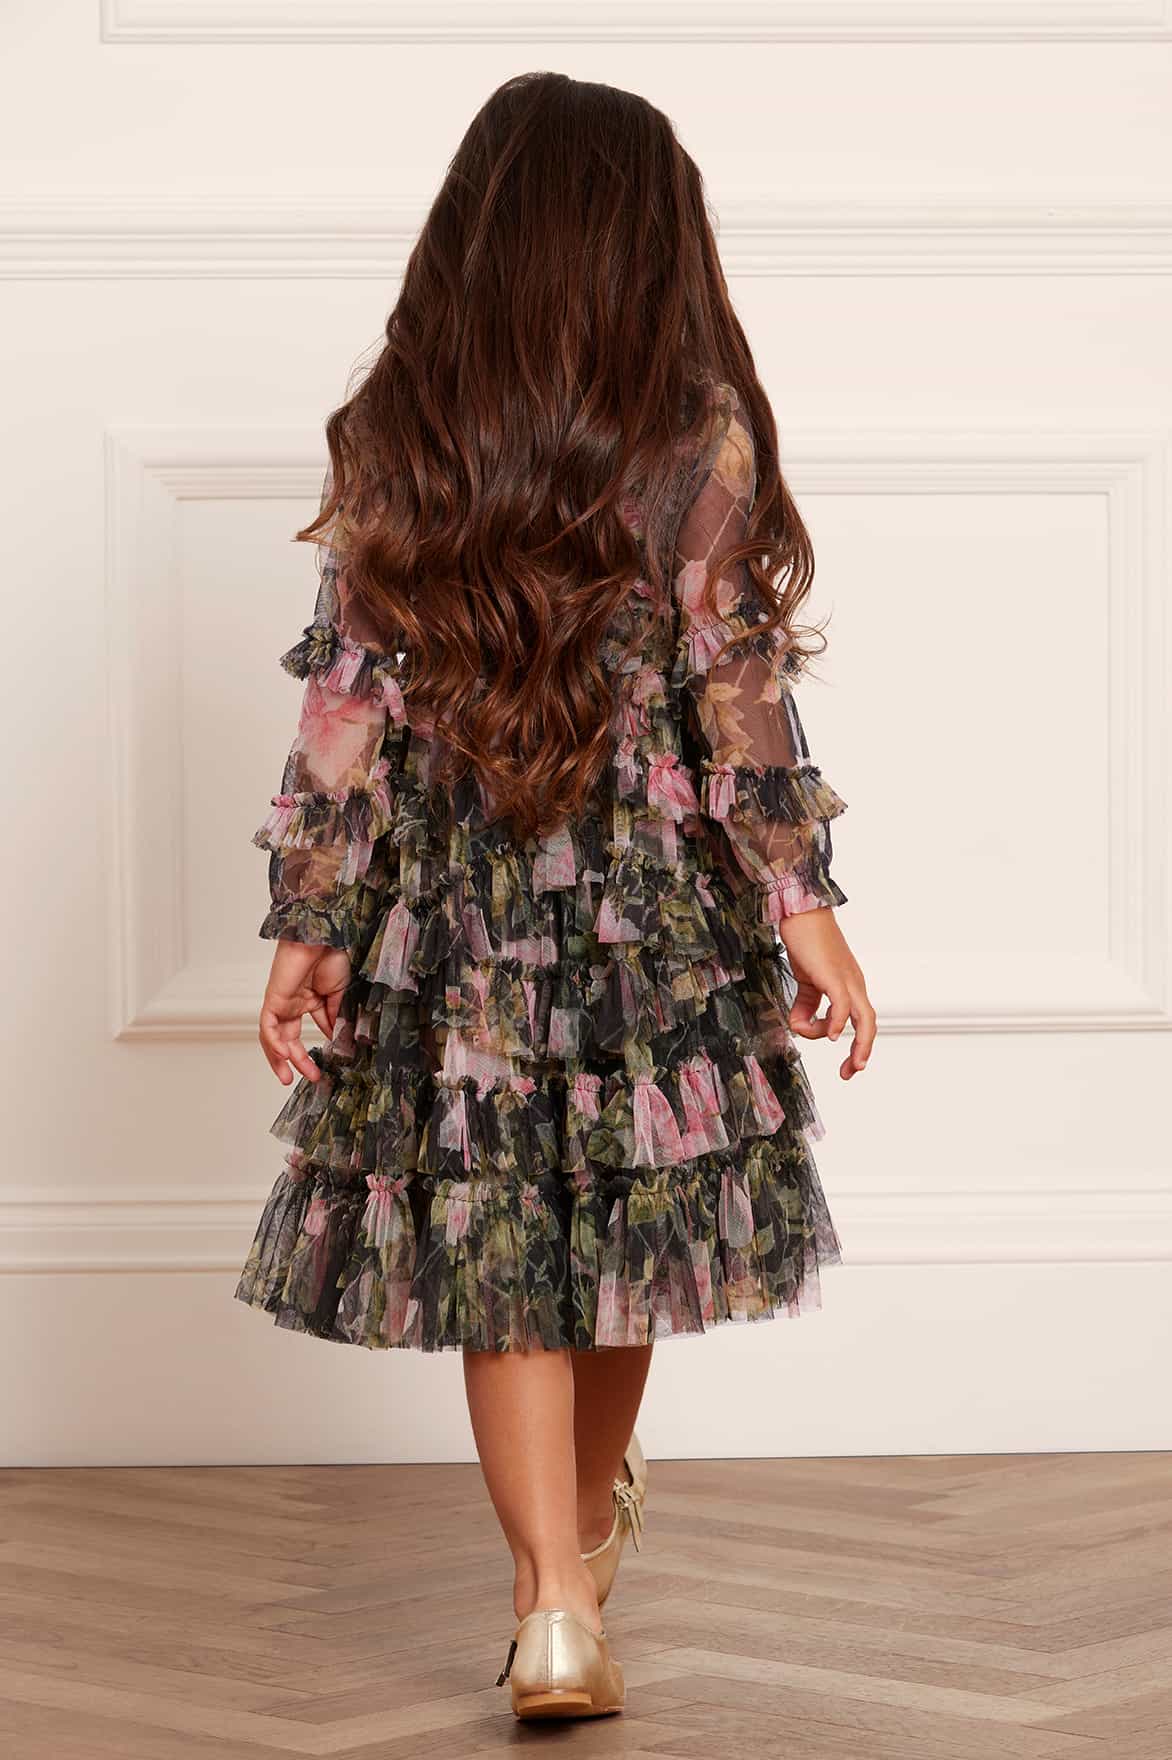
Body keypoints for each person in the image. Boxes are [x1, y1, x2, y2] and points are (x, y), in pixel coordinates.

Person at [233, 70, 876, 1722]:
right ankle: (579, 1552)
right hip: (654, 918)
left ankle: (551, 1603)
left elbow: (348, 708)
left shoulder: (402, 433)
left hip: (457, 919)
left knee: (502, 1237)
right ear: (650, 242)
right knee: (633, 1220)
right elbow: (737, 691)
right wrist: (805, 907)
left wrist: (313, 924)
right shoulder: (694, 433)